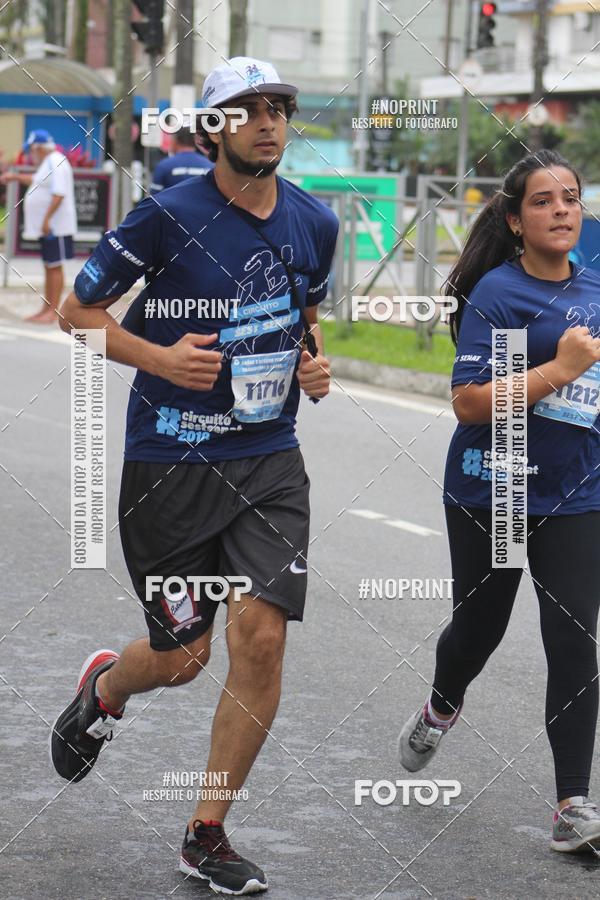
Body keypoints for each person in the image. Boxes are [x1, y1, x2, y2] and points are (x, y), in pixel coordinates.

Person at [51, 56, 338, 895]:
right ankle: (107, 687)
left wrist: (316, 369)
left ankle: (206, 830)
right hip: (169, 463)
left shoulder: (313, 223)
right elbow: (78, 313)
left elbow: (306, 324)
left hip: (268, 460)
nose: (268, 121)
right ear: (212, 127)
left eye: (279, 107)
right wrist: (158, 358)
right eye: (245, 110)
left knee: (261, 636)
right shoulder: (164, 216)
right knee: (181, 660)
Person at [398, 149, 600, 854]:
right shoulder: (499, 295)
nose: (562, 211)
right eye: (543, 202)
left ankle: (573, 804)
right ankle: (441, 704)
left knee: (574, 640)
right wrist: (559, 369)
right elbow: (469, 403)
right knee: (478, 631)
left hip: (577, 493)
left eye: (570, 198)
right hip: (497, 488)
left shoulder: (598, 283)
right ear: (515, 221)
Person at [1, 129, 77, 324]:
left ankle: (52, 312)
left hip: (55, 226)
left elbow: (59, 194)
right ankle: (46, 308)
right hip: (50, 226)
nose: (30, 155)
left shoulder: (55, 161)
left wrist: (46, 220)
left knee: (54, 266)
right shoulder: (48, 163)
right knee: (48, 266)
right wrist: (14, 177)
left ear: (38, 148)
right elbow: (36, 181)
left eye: (31, 151)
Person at [149, 125, 213, 195]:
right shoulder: (210, 166)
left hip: (170, 206)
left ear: (175, 141)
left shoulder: (164, 166)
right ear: (195, 141)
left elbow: (154, 198)